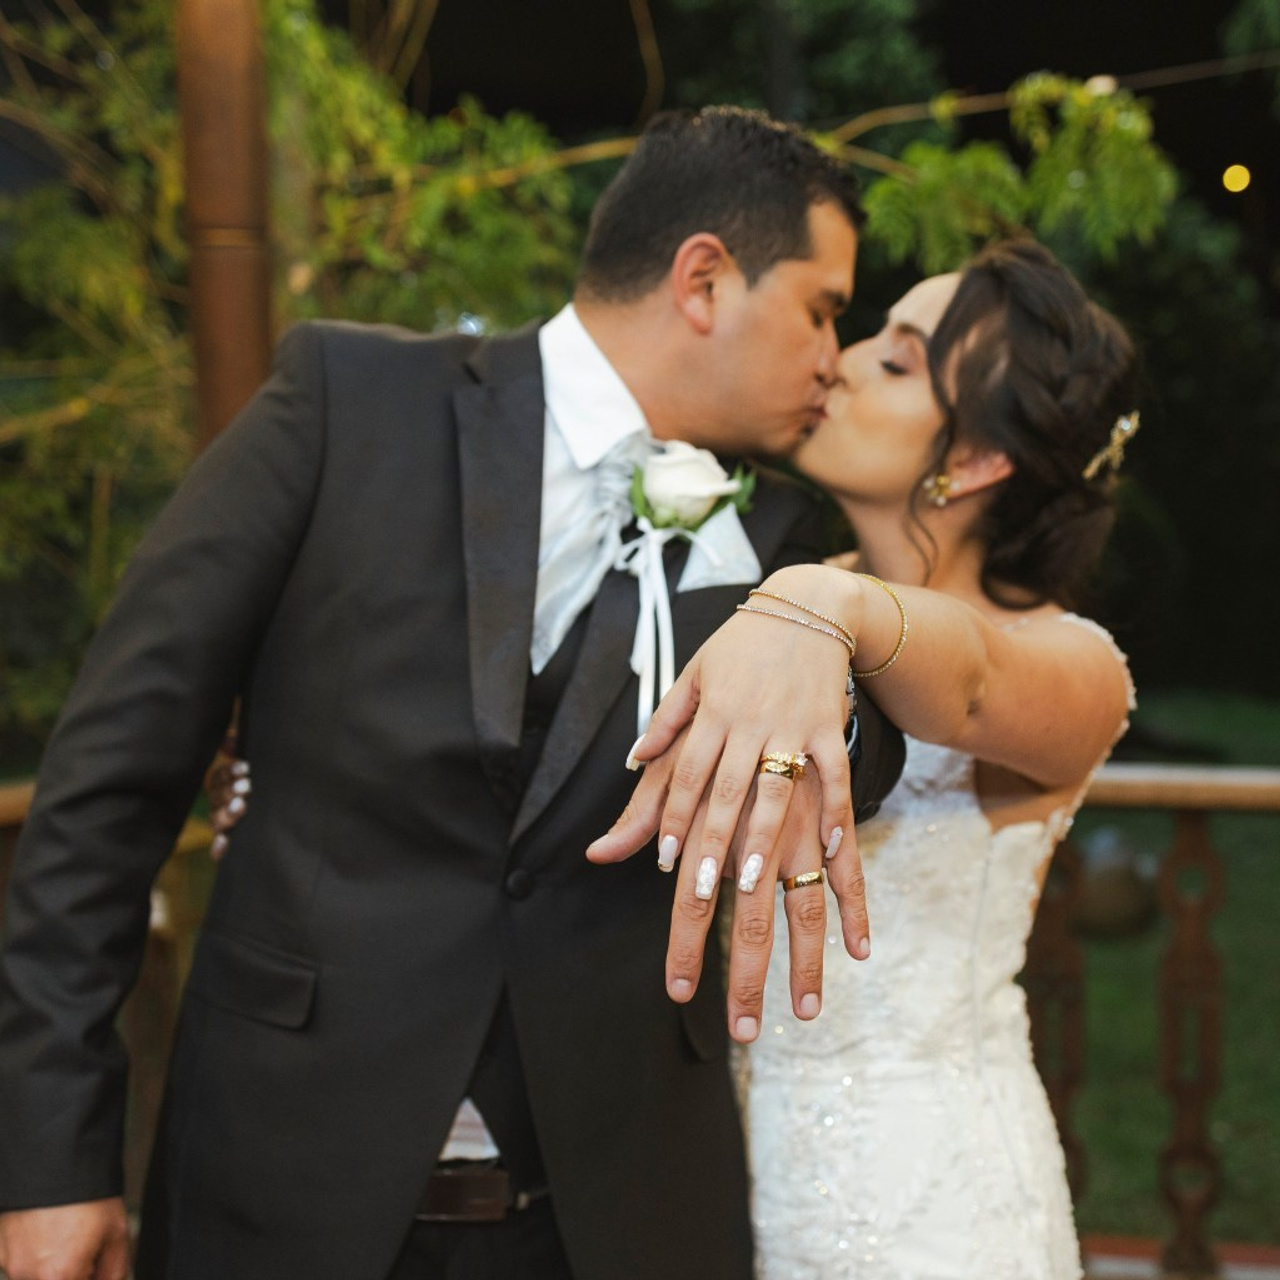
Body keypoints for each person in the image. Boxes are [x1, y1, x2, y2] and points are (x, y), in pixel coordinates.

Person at [0, 107, 904, 1280]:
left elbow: (862, 767)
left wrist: (824, 614)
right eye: (822, 307)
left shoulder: (781, 546)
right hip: (280, 1189)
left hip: (609, 1221)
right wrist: (47, 1159)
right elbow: (108, 785)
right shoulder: (346, 401)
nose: (831, 356)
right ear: (702, 279)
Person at [592, 238, 1138, 1277]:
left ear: (974, 460)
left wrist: (822, 598)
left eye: (893, 361)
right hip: (706, 1180)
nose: (836, 360)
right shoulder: (747, 594)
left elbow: (967, 680)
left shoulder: (1073, 664)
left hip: (923, 1204)